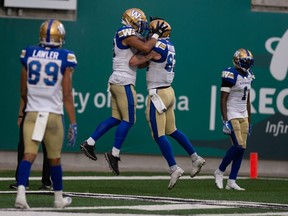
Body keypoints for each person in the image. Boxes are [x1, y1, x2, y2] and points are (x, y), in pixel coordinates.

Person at [80, 8, 168, 175]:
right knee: (129, 120)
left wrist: (151, 41)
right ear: (130, 21)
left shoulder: (127, 34)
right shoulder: (124, 31)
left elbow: (140, 56)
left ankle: (89, 143)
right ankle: (114, 154)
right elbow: (143, 45)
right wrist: (156, 35)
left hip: (118, 80)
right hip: (123, 81)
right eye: (139, 23)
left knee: (116, 118)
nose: (141, 27)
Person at [129, 18, 206, 190]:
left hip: (157, 94)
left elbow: (134, 62)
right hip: (169, 91)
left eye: (151, 30)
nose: (149, 32)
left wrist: (137, 48)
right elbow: (150, 61)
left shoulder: (156, 46)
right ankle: (195, 158)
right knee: (172, 130)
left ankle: (174, 167)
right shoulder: (169, 46)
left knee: (158, 135)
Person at [15, 19, 77, 209]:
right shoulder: (65, 57)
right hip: (53, 115)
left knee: (28, 155)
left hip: (32, 113)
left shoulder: (29, 53)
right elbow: (66, 94)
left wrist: (26, 107)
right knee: (55, 158)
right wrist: (73, 122)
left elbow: (23, 91)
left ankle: (20, 194)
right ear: (61, 37)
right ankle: (58, 199)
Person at [214, 48, 255, 191]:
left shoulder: (249, 75)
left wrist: (249, 120)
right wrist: (225, 120)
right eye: (245, 62)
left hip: (243, 114)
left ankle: (232, 180)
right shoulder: (230, 74)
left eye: (249, 62)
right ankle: (219, 171)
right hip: (231, 113)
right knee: (237, 146)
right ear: (237, 61)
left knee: (241, 149)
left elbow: (248, 100)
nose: (248, 65)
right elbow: (223, 99)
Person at [9, 97, 52, 190]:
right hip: (30, 113)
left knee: (48, 148)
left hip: (46, 113)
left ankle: (47, 181)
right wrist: (21, 114)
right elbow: (23, 94)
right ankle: (22, 181)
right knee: (23, 147)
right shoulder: (30, 82)